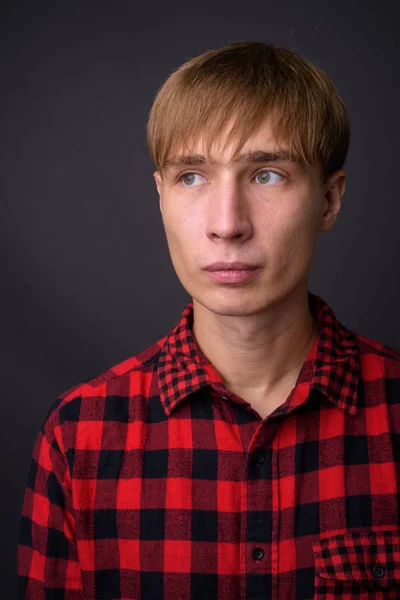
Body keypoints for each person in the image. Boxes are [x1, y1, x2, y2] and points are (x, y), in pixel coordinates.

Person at [17, 41, 400, 600]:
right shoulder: (77, 438)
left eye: (267, 175)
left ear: (329, 200)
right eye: (192, 177)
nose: (227, 224)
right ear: (160, 197)